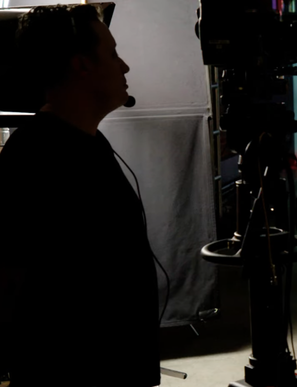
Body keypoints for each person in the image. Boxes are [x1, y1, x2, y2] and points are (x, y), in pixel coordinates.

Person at [0, 5, 160, 386]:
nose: (124, 67)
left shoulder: (92, 142)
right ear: (80, 65)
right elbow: (8, 279)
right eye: (112, 54)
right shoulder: (32, 157)